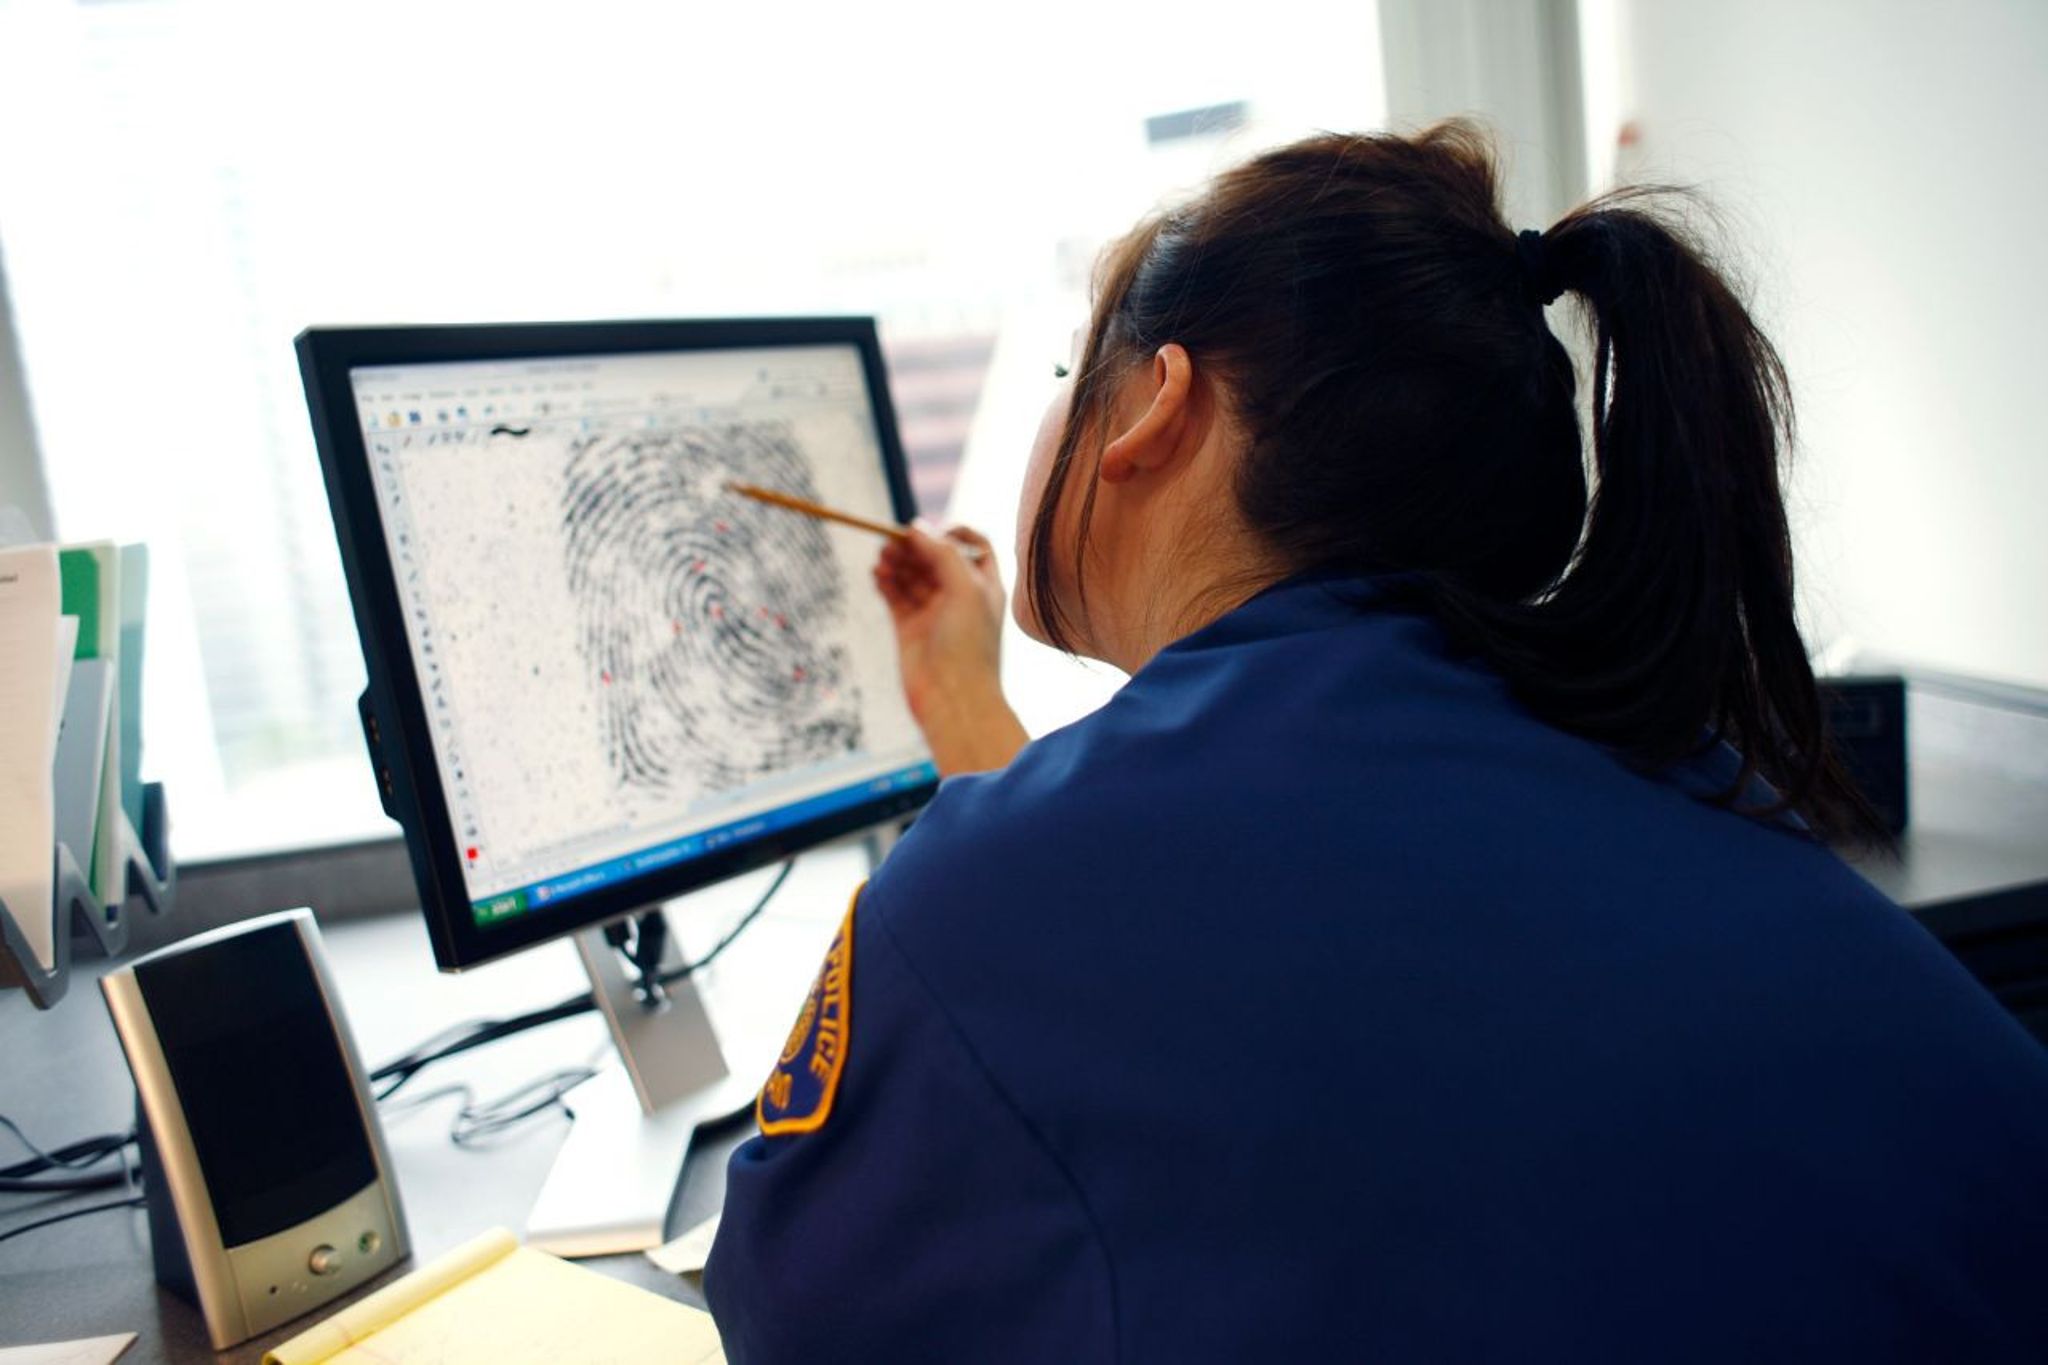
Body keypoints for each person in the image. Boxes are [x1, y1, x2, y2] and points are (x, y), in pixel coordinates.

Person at [704, 123, 2048, 1361]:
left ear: (1162, 405)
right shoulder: (1672, 771)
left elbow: (786, 1307)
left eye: (1072, 367)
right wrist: (972, 726)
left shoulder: (991, 902)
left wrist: (976, 827)